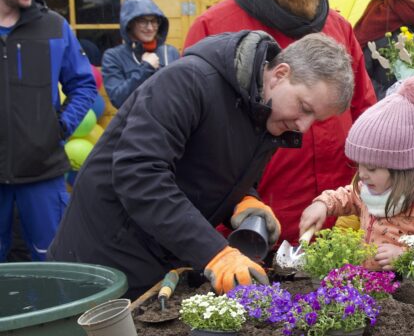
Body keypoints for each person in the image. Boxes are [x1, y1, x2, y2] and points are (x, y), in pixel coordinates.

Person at [48, 31, 355, 295]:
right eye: (304, 108)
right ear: (279, 74)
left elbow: (219, 169)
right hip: (100, 263)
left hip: (157, 262)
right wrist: (214, 252)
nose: (303, 126)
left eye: (315, 118)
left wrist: (247, 199)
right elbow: (139, 174)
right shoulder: (189, 82)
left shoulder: (265, 112)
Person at [183, 0, 377, 244]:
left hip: (337, 220)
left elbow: (364, 111)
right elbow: (194, 143)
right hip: (253, 227)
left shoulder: (339, 29)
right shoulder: (215, 28)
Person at [299, 74, 414, 271]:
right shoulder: (372, 189)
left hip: (409, 297)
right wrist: (323, 205)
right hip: (371, 291)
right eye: (359, 165)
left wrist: (405, 257)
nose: (362, 174)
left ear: (401, 168)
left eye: (371, 168)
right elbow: (348, 196)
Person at [0, 0, 97, 261]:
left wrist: (59, 128)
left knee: (53, 263)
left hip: (43, 174)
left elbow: (83, 84)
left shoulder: (54, 26)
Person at [101, 0, 180, 108]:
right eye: (143, 21)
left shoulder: (170, 52)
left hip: (170, 123)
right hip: (134, 124)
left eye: (154, 21)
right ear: (129, 24)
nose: (150, 28)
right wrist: (145, 69)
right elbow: (118, 99)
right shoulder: (114, 56)